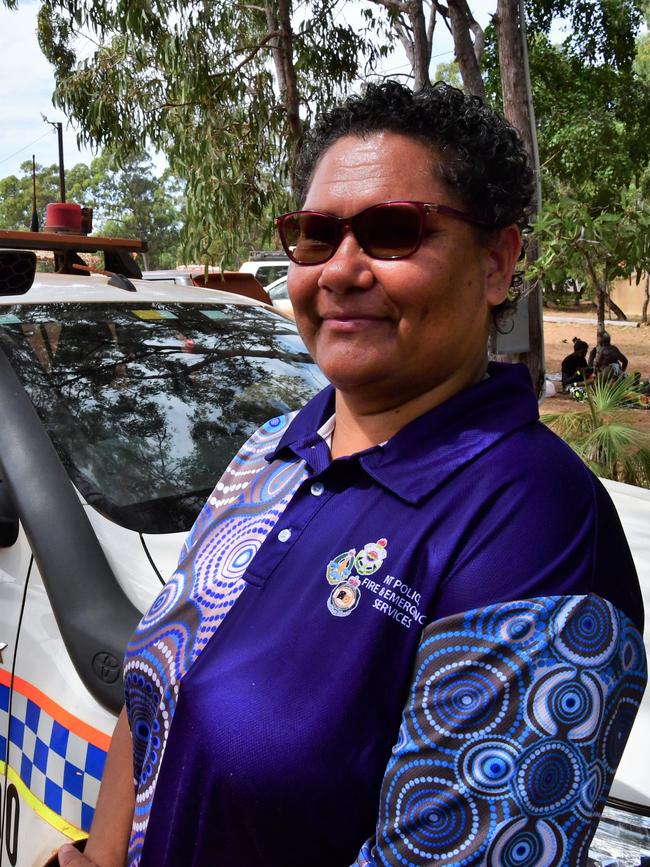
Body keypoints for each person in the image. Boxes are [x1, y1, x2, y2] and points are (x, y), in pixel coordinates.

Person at [57, 81, 646, 867]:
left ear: (498, 262)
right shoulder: (273, 448)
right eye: (314, 234)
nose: (340, 269)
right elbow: (158, 691)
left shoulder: (536, 529)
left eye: (392, 231)